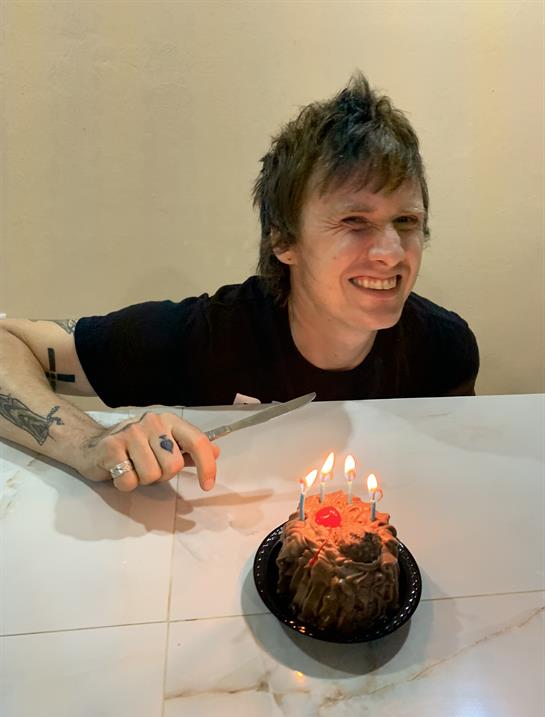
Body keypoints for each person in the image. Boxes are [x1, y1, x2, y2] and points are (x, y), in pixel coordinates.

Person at [0, 72, 479, 493]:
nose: (392, 253)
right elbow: (7, 340)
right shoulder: (209, 336)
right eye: (355, 221)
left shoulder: (444, 350)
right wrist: (88, 442)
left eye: (407, 221)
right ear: (284, 242)